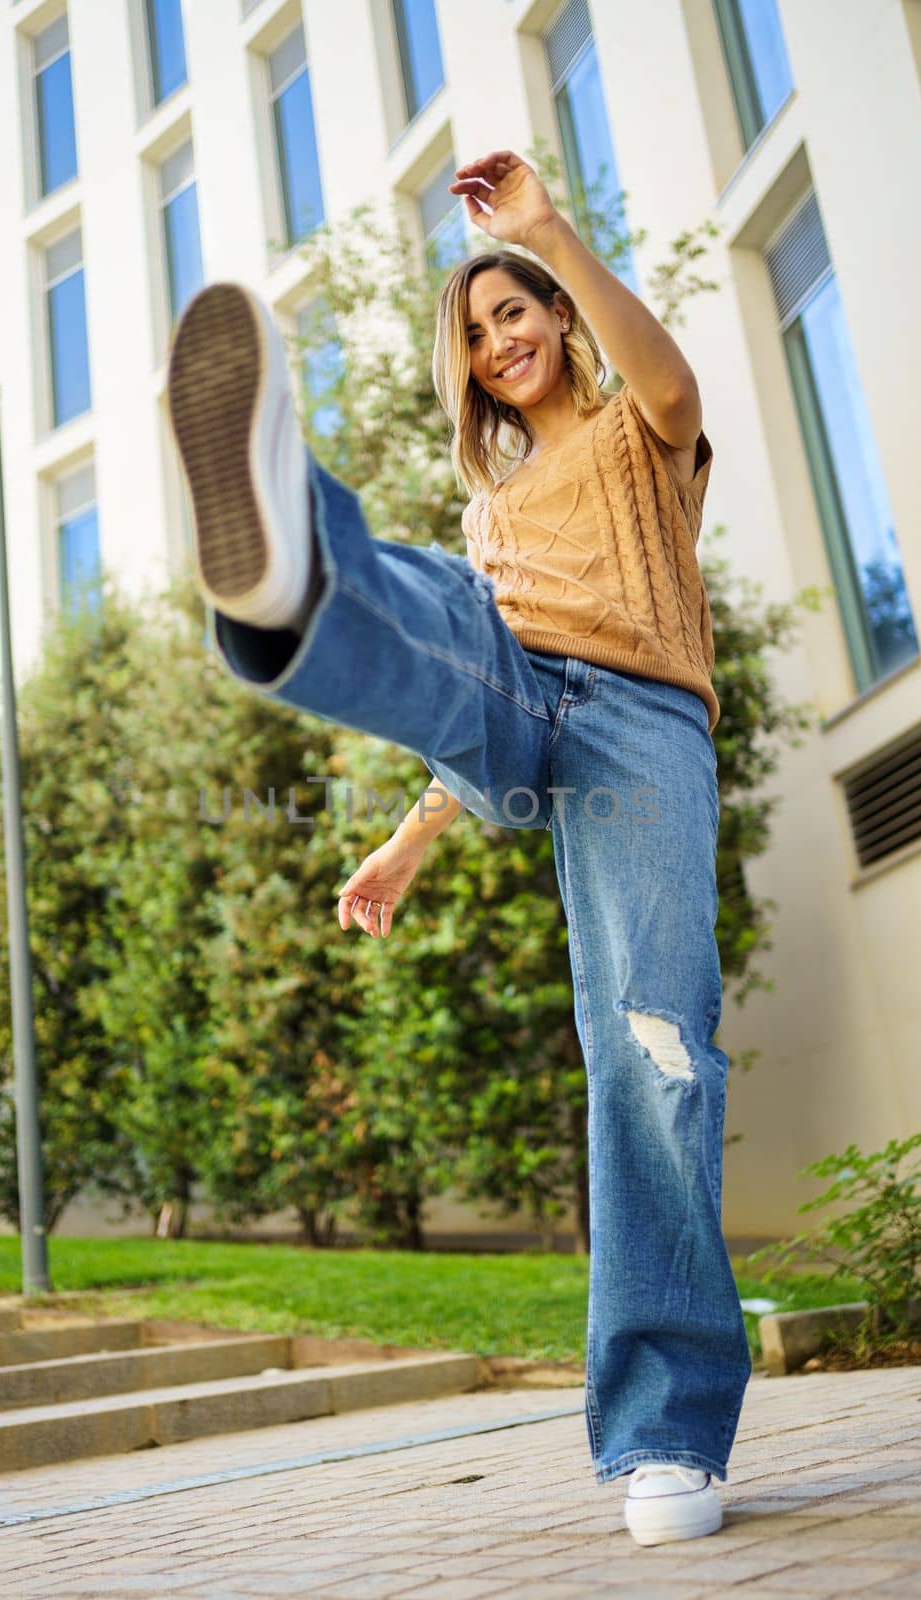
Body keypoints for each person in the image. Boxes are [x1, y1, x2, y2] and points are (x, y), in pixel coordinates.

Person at [167, 148, 752, 1549]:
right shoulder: (492, 510)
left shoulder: (633, 436)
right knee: (439, 607)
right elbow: (464, 691)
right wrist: (407, 841)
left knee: (653, 1047)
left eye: (518, 312)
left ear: (554, 318)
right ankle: (298, 570)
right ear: (472, 372)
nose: (504, 339)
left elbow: (668, 385)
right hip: (513, 691)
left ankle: (670, 1429)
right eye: (482, 332)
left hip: (638, 728)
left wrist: (550, 229)